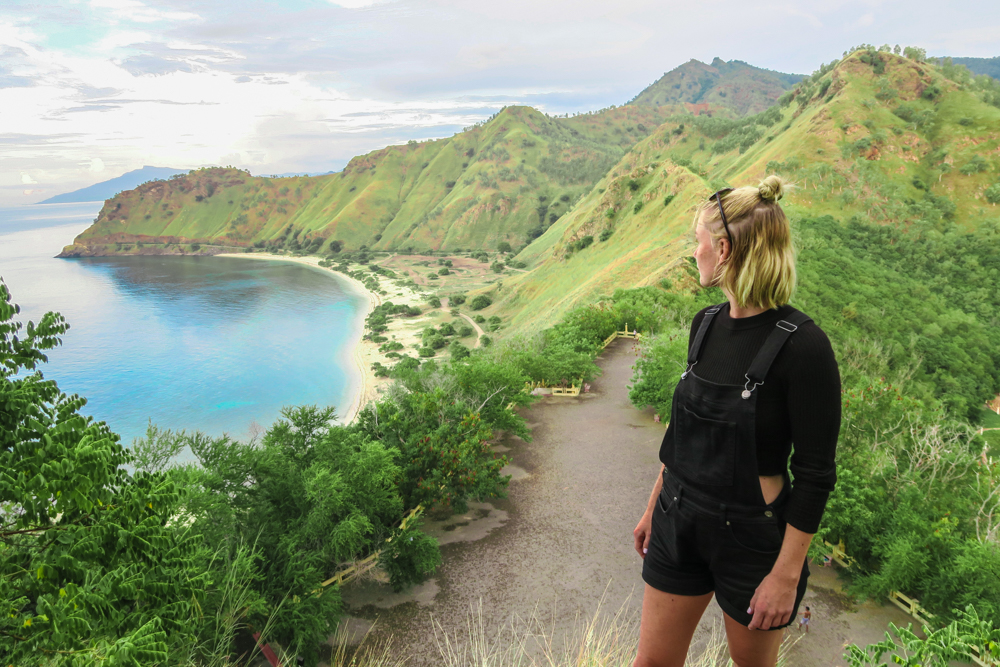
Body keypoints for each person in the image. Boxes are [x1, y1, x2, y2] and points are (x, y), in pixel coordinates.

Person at [632, 176, 840, 667]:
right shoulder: (704, 324)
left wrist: (785, 577)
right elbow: (682, 437)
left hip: (751, 540)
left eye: (698, 243)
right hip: (677, 518)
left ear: (723, 248)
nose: (695, 253)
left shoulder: (804, 347)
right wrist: (652, 509)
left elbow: (815, 475)